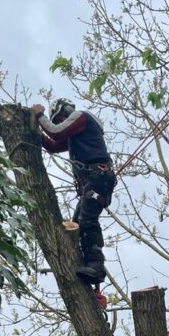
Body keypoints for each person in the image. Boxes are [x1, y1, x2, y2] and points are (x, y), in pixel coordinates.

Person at [30, 98, 116, 298]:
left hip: (98, 176)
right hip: (93, 180)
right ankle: (87, 268)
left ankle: (96, 266)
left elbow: (55, 131)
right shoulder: (77, 135)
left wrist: (40, 114)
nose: (61, 121)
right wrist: (34, 133)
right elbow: (53, 144)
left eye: (60, 117)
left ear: (66, 110)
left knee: (87, 220)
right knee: (75, 225)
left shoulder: (81, 117)